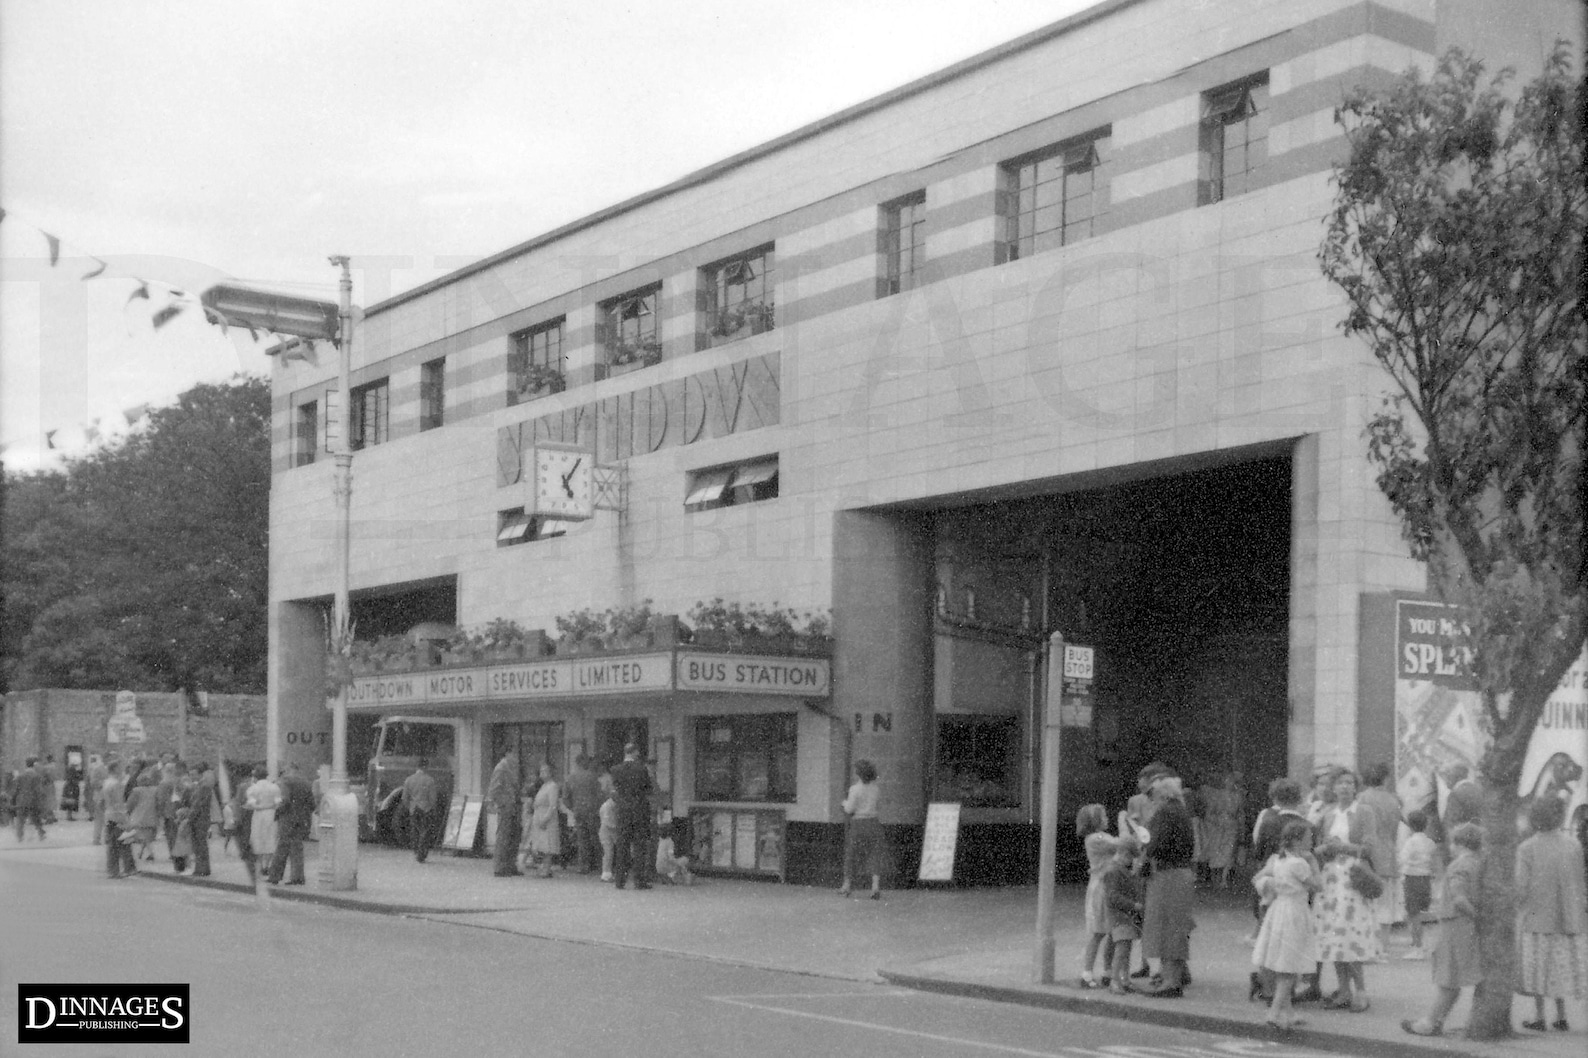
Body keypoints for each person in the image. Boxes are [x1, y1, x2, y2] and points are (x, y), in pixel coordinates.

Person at [1312, 767, 1387, 1012]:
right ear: (1333, 788)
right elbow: (1321, 845)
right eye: (1340, 783)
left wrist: (1341, 847)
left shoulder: (1364, 812)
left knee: (1350, 937)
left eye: (1349, 783)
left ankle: (1361, 991)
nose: (1344, 787)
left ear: (1356, 788)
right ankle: (1343, 990)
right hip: (1331, 881)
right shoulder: (1328, 814)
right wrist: (1324, 849)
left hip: (1352, 880)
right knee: (1334, 938)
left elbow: (1368, 848)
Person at [1402, 822, 1484, 1037]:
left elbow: (1459, 898)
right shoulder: (1479, 863)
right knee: (1453, 980)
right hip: (1465, 926)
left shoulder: (1459, 866)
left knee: (1448, 979)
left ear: (1459, 843)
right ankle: (1436, 1021)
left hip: (1454, 925)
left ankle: (1429, 1022)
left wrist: (1476, 915)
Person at [1515, 795, 1587, 1032]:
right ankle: (1562, 1015)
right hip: (1568, 916)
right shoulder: (1573, 845)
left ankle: (1539, 1016)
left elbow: (1521, 887)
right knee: (1558, 967)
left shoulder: (1527, 848)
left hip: (1537, 916)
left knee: (1538, 969)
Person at [1251, 820, 1321, 1031]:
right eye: (1309, 837)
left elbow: (1261, 879)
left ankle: (1288, 1012)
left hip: (1279, 910)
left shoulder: (1280, 861)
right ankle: (1274, 1012)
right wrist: (1314, 864)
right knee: (1289, 966)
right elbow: (1318, 885)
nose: (1311, 841)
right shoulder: (1299, 864)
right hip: (1294, 913)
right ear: (1298, 840)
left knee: (1283, 960)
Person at [1139, 774, 1196, 997]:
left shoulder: (1164, 812)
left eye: (1152, 795)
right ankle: (1172, 975)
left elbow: (1155, 843)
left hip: (1168, 874)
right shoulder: (1181, 811)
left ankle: (1171, 982)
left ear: (1162, 795)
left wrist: (1142, 856)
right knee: (1176, 926)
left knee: (1167, 928)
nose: (1150, 800)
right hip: (1182, 872)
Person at [1357, 761, 1404, 936]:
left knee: (1368, 901)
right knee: (1386, 902)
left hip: (1369, 853)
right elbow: (1395, 830)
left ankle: (1371, 943)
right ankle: (1383, 945)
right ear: (1386, 778)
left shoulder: (1362, 798)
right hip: (1389, 851)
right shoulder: (1395, 800)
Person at [1076, 804, 1115, 988]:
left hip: (1109, 884)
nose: (1107, 818)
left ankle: (1108, 971)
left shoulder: (1102, 836)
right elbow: (1120, 844)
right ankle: (1087, 972)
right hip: (1101, 887)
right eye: (1103, 816)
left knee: (1112, 931)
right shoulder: (1095, 838)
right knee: (1098, 931)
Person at [1102, 834, 1144, 996]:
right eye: (1130, 857)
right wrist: (1133, 905)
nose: (1131, 861)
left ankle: (1123, 979)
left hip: (1124, 916)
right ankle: (1116, 980)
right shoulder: (1114, 871)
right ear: (1124, 853)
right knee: (1122, 948)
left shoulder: (1119, 870)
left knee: (1125, 948)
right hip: (1119, 916)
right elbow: (1113, 897)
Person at [609, 744, 655, 890]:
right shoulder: (642, 769)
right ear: (635, 752)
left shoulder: (615, 770)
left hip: (622, 811)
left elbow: (614, 790)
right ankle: (639, 880)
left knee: (622, 845)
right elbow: (648, 789)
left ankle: (620, 880)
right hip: (639, 810)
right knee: (639, 846)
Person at [839, 759, 885, 900]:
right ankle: (875, 887)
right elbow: (878, 806)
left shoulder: (854, 789)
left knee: (851, 854)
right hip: (874, 823)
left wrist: (844, 803)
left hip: (858, 823)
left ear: (858, 774)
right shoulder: (876, 789)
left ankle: (847, 886)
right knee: (875, 854)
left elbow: (849, 808)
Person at [1398, 809, 1438, 959]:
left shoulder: (1410, 842)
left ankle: (1417, 946)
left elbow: (1402, 859)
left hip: (1412, 878)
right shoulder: (1430, 842)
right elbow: (1433, 861)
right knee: (1422, 913)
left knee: (1413, 915)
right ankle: (1425, 945)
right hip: (1426, 879)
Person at [269, 762, 314, 885]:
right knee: (297, 848)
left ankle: (274, 876)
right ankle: (297, 877)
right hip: (302, 820)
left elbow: (285, 800)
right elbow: (312, 804)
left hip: (287, 819)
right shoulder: (306, 783)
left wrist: (276, 813)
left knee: (282, 847)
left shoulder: (285, 782)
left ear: (287, 770)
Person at [563, 754, 602, 875]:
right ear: (584, 763)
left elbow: (565, 798)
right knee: (595, 838)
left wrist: (573, 807)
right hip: (592, 811)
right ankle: (599, 864)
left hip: (578, 811)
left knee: (582, 839)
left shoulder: (570, 778)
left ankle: (583, 865)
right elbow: (599, 794)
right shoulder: (592, 777)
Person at [487, 750, 522, 877]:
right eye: (514, 753)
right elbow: (494, 789)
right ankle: (500, 867)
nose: (516, 756)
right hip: (507, 807)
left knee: (513, 837)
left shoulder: (511, 768)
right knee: (504, 837)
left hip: (514, 807)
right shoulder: (501, 768)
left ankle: (510, 865)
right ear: (507, 753)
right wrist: (503, 803)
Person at [244, 764, 280, 881]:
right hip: (271, 813)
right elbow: (278, 802)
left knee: (258, 838)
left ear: (256, 776)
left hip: (259, 814)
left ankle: (260, 865)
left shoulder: (253, 788)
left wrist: (257, 806)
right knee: (270, 837)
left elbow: (252, 803)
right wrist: (271, 806)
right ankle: (267, 865)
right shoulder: (274, 787)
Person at [101, 760, 136, 879]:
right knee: (124, 842)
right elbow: (118, 803)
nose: (121, 770)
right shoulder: (116, 784)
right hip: (117, 816)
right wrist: (125, 819)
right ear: (115, 769)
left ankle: (112, 870)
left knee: (112, 845)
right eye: (119, 768)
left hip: (109, 815)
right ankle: (128, 868)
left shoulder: (106, 782)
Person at [401, 757, 440, 863]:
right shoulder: (430, 780)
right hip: (426, 809)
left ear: (417, 766)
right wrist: (434, 809)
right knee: (425, 831)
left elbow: (405, 798)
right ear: (425, 766)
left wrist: (409, 807)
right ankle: (422, 852)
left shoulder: (409, 780)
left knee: (415, 830)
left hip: (414, 809)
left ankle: (416, 850)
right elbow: (433, 798)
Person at [528, 762, 563, 878]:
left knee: (548, 843)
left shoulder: (553, 786)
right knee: (541, 844)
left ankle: (546, 868)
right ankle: (544, 867)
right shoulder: (543, 786)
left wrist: (545, 819)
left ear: (551, 773)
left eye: (545, 771)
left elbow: (553, 805)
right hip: (539, 815)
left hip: (547, 818)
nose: (542, 774)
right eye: (541, 771)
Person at [184, 764, 215, 877]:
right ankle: (200, 868)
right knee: (197, 845)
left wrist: (189, 817)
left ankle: (203, 869)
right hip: (197, 819)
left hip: (200, 819)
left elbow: (198, 805)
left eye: (193, 774)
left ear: (200, 774)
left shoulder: (204, 786)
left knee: (200, 844)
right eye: (190, 774)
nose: (191, 776)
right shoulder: (197, 786)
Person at [10, 757, 48, 841]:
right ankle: (41, 833)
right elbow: (39, 790)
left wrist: (13, 799)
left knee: (20, 819)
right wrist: (42, 799)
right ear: (33, 765)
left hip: (22, 800)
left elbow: (16, 789)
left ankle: (19, 836)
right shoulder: (36, 776)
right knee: (36, 818)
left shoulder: (21, 776)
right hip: (33, 800)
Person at [127, 770, 162, 861]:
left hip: (139, 815)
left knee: (142, 836)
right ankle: (141, 852)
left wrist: (128, 812)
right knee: (147, 836)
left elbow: (131, 803)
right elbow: (159, 802)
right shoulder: (155, 789)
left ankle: (151, 853)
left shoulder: (136, 791)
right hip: (152, 815)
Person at [87, 754, 109, 844]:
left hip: (109, 796)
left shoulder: (112, 769)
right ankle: (96, 839)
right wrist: (105, 783)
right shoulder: (97, 769)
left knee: (109, 819)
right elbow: (93, 782)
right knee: (99, 818)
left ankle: (108, 838)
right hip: (100, 795)